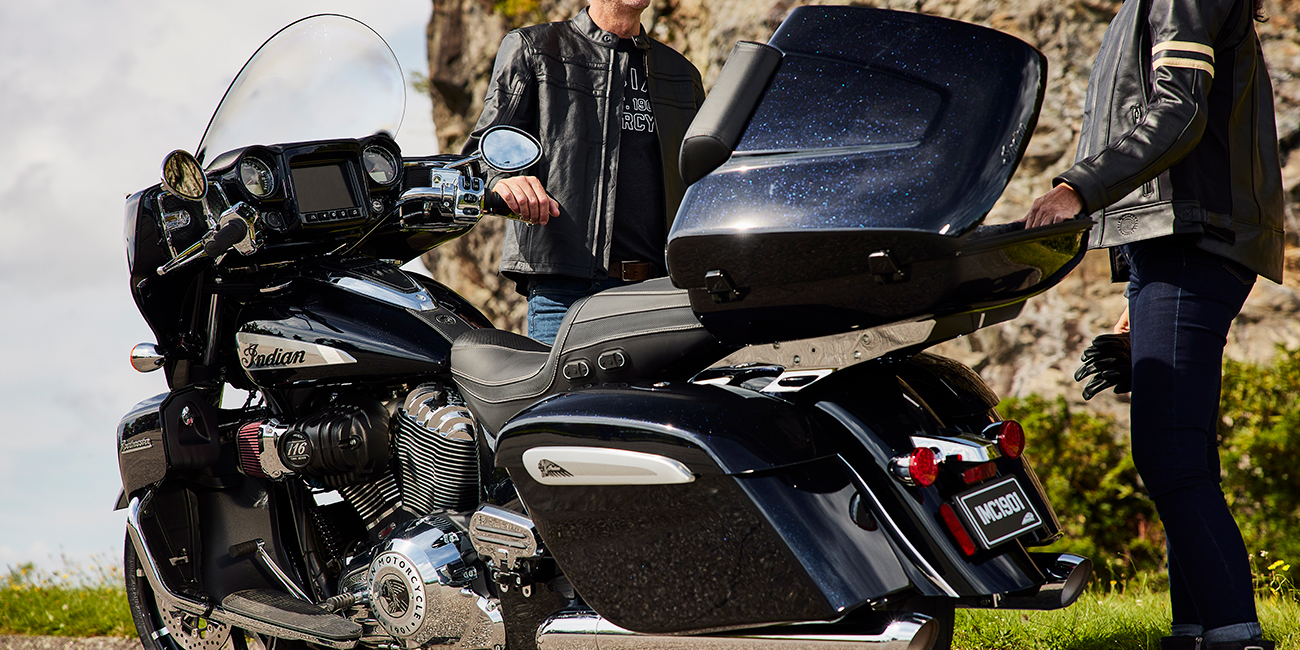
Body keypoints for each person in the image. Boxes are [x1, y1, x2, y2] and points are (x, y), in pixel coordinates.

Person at [1025, 0, 1285, 645]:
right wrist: (1135, 301)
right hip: (1172, 248)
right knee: (1181, 455)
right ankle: (1195, 632)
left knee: (1169, 454)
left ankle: (1236, 637)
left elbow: (1179, 111)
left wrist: (1077, 188)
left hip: (1191, 242)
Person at [464, 0, 706, 344]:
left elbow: (702, 179)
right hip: (566, 294)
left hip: (661, 293)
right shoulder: (534, 49)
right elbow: (482, 151)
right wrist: (504, 180)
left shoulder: (681, 74)